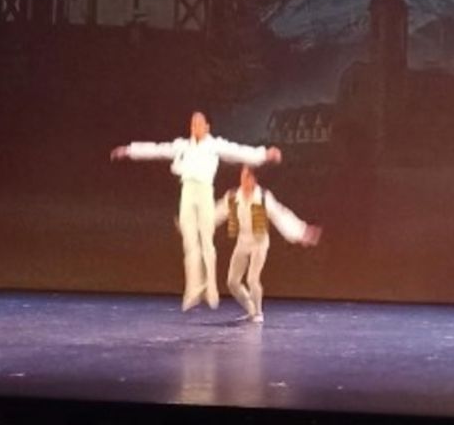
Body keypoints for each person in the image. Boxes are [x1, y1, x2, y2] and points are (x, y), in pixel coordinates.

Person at [111, 112, 281, 310]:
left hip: (204, 191)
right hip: (188, 192)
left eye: (199, 124)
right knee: (190, 241)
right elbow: (158, 149)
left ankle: (211, 289)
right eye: (193, 124)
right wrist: (129, 150)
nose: (195, 127)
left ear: (207, 127)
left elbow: (238, 151)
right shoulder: (183, 146)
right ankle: (193, 288)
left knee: (206, 240)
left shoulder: (215, 145)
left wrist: (264, 154)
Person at [215, 165, 322, 323]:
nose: (244, 180)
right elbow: (216, 214)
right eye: (242, 176)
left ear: (253, 179)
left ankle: (258, 313)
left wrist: (301, 232)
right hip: (243, 241)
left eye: (247, 177)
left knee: (252, 279)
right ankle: (251, 310)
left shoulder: (263, 197)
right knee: (232, 282)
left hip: (259, 242)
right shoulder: (233, 196)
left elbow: (280, 215)